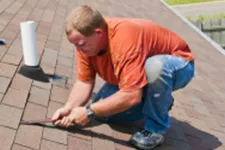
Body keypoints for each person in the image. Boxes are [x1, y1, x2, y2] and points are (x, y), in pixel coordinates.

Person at [52, 5, 195, 150]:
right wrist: (69, 108)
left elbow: (131, 95)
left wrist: (88, 111)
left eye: (81, 44)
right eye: (75, 45)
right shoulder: (85, 42)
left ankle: (156, 129)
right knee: (103, 113)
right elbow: (84, 81)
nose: (78, 49)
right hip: (140, 73)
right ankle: (155, 99)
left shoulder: (123, 39)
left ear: (98, 33)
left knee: (155, 67)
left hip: (178, 64)